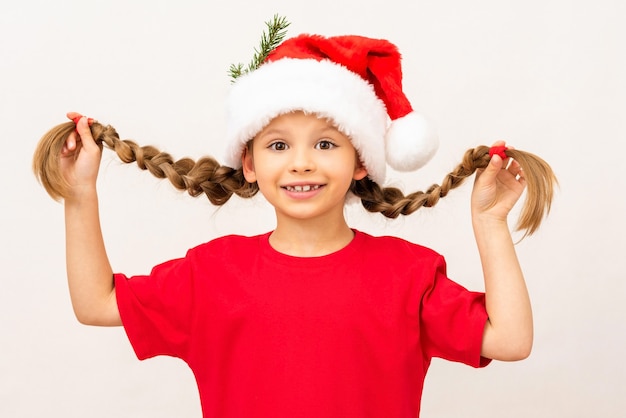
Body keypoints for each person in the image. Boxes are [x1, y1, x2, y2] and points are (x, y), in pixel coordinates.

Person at [33, 20, 556, 418]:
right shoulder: (212, 272)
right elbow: (96, 304)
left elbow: (509, 339)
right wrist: (80, 195)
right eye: (279, 144)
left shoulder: (407, 274)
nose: (302, 162)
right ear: (251, 162)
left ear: (361, 163)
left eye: (325, 144)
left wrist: (490, 224)